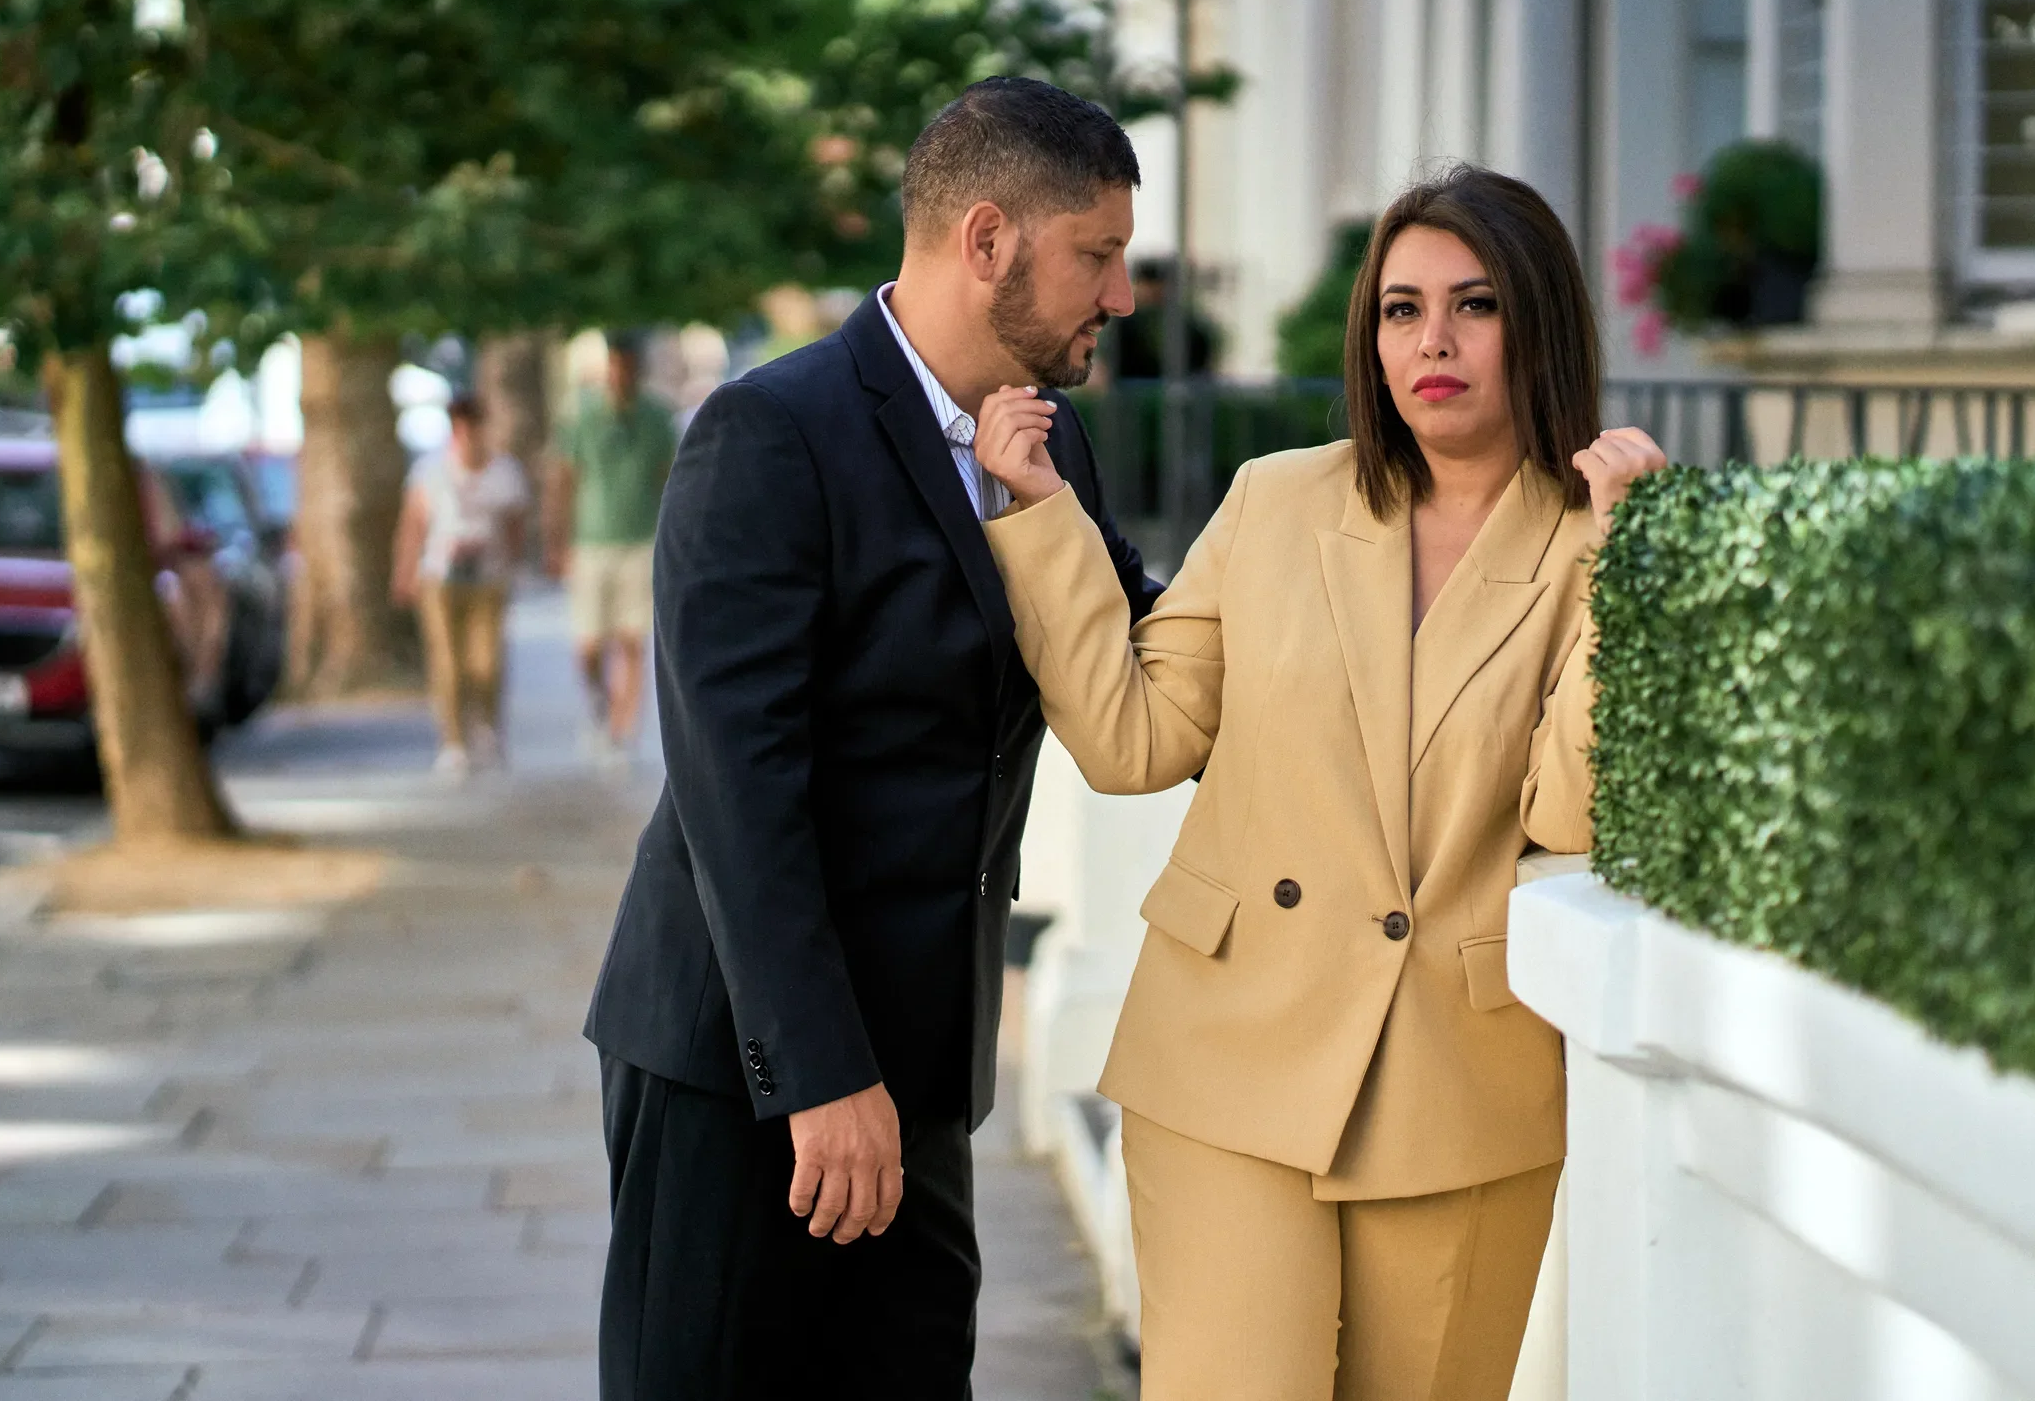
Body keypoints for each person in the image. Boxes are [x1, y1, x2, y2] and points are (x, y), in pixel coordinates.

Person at [973, 166, 1667, 1401]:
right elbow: (1136, 739)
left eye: (1476, 305)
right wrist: (1044, 519)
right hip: (1229, 1046)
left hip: (1457, 1082)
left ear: (1540, 323)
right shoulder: (1278, 498)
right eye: (1401, 310)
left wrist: (1627, 569)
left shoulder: (1591, 538)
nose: (1433, 342)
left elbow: (1567, 811)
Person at [582, 76, 1160, 1398]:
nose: (1121, 298)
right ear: (988, 239)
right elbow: (740, 785)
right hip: (743, 1065)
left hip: (922, 1069)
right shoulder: (768, 434)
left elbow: (1142, 635)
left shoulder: (1047, 446)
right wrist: (820, 1077)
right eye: (1100, 257)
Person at [546, 334, 678, 758]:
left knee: (632, 640)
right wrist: (557, 539)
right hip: (592, 541)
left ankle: (623, 729)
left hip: (641, 539)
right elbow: (565, 478)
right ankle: (600, 702)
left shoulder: (657, 418)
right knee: (588, 643)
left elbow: (670, 479)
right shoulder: (583, 417)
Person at [392, 394, 531, 777]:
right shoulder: (430, 471)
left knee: (486, 661)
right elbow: (413, 525)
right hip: (441, 577)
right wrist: (404, 571)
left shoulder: (504, 472)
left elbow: (516, 523)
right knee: (447, 663)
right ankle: (453, 741)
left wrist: (512, 562)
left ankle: (486, 724)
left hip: (488, 576)